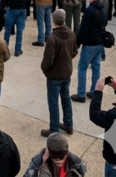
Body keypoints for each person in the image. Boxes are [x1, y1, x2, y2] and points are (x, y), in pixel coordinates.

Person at [40, 9, 76, 137]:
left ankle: (54, 128)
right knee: (66, 98)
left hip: (54, 75)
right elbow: (74, 52)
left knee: (53, 101)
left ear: (54, 21)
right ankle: (69, 125)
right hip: (66, 73)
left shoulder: (53, 38)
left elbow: (48, 60)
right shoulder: (71, 34)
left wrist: (44, 68)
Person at [72, 0, 106, 102]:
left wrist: (77, 43)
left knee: (82, 67)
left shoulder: (89, 10)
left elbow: (83, 30)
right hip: (99, 43)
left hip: (90, 44)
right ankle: (94, 92)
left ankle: (81, 94)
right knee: (96, 68)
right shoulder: (103, 9)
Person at [22, 132, 86, 177]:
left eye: (61, 155)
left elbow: (82, 172)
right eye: (55, 155)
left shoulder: (75, 162)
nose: (58, 160)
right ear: (47, 150)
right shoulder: (37, 162)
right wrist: (43, 164)